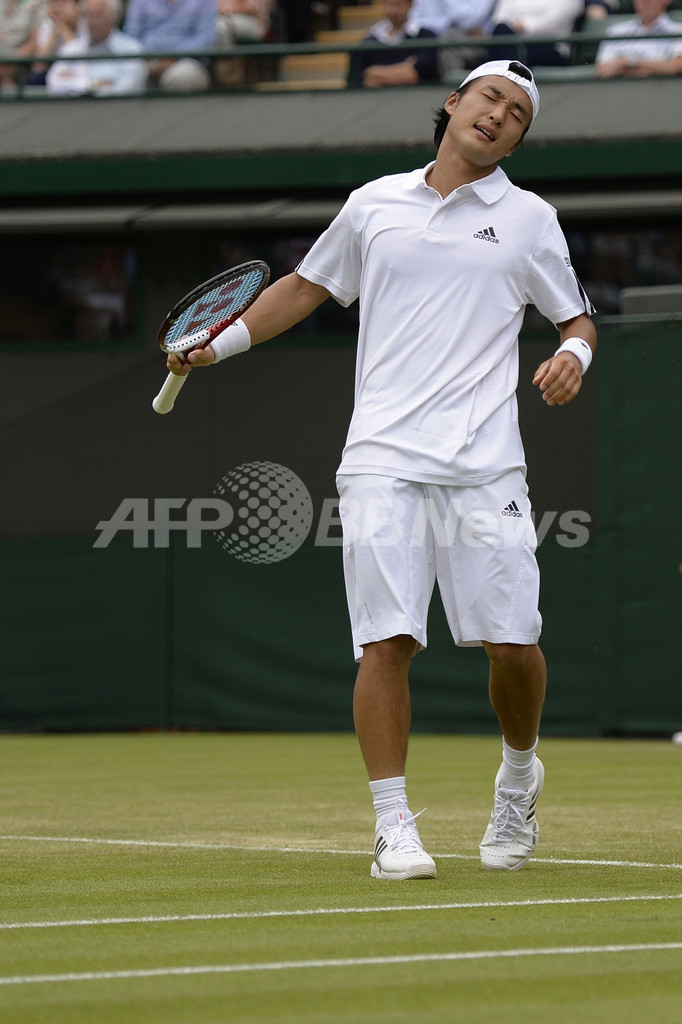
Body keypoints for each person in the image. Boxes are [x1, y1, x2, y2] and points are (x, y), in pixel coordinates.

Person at [166, 59, 596, 879]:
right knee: (386, 641)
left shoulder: (532, 220)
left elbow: (576, 319)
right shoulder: (373, 204)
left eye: (517, 113)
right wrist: (217, 345)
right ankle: (394, 825)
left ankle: (518, 777)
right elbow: (304, 288)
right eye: (489, 98)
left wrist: (573, 354)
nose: (498, 114)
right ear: (454, 104)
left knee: (513, 646)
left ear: (517, 140)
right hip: (381, 458)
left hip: (486, 465)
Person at [46, 0, 147, 94]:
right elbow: (53, 83)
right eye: (86, 15)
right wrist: (95, 84)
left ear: (114, 17)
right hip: (75, 107)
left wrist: (73, 80)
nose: (91, 22)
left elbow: (127, 89)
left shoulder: (132, 50)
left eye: (98, 15)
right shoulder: (71, 48)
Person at [123, 0, 215, 92]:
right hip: (145, 60)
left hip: (186, 61)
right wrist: (146, 59)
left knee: (182, 77)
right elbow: (130, 36)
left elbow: (206, 38)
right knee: (125, 74)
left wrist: (174, 57)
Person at [348, 0, 440, 87]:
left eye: (398, 4)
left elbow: (413, 75)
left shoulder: (426, 36)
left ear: (410, 5)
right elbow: (358, 79)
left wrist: (374, 73)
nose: (393, 10)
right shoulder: (370, 40)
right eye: (388, 4)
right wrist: (403, 68)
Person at [595, 0, 682, 77]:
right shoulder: (615, 31)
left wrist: (627, 62)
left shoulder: (678, 31)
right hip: (620, 89)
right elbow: (603, 69)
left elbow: (677, 66)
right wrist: (658, 69)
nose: (645, 1)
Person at [407, 0, 496, 73]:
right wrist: (449, 23)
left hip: (475, 40)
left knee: (447, 44)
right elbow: (413, 22)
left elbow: (471, 20)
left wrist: (449, 23)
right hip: (429, 38)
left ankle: (456, 88)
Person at [488, 0, 585, 67]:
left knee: (503, 50)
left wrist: (525, 26)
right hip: (512, 39)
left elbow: (555, 21)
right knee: (502, 29)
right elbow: (498, 18)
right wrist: (513, 26)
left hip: (551, 47)